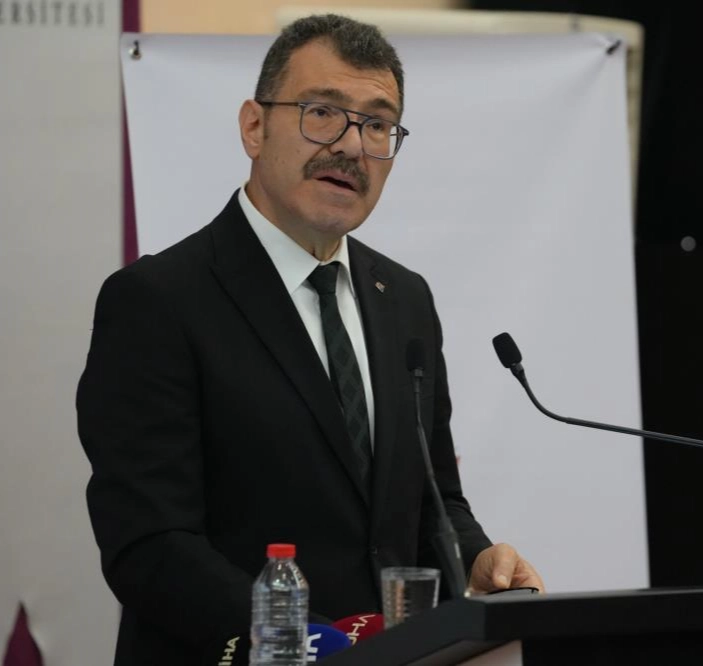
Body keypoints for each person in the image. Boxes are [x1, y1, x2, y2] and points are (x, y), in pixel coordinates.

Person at [77, 14, 543, 665]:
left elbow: (434, 498)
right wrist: (306, 642)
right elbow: (149, 543)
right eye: (322, 112)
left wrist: (477, 559)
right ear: (254, 126)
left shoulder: (404, 299)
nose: (351, 146)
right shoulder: (159, 300)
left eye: (377, 125)